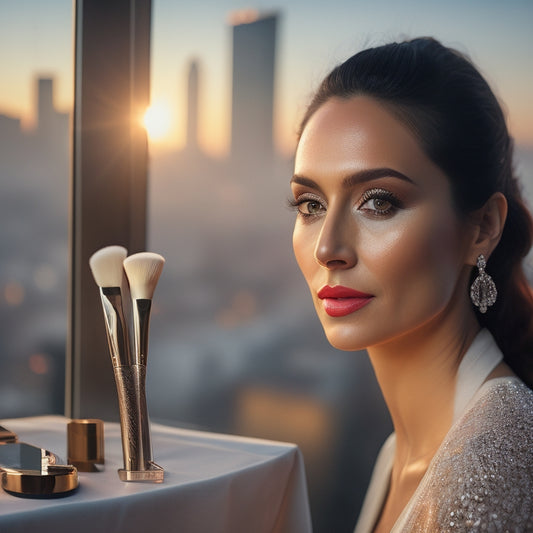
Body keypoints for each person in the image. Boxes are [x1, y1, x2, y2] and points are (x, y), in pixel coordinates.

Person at [289, 37, 533, 532]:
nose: (327, 248)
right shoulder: (401, 451)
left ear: (483, 227)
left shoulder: (494, 461)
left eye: (379, 202)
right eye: (310, 204)